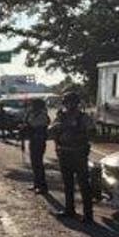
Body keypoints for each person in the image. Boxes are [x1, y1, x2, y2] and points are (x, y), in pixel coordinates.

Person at [49, 91, 96, 222]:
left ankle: (88, 215)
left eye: (72, 102)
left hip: (79, 153)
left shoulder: (83, 117)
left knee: (83, 184)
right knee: (67, 183)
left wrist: (78, 133)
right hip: (64, 152)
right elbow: (51, 132)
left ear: (76, 103)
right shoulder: (60, 117)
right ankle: (69, 210)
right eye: (67, 102)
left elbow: (92, 133)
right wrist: (57, 128)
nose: (70, 105)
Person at [24, 98, 51, 194]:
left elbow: (34, 125)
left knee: (38, 163)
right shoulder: (33, 114)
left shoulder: (42, 115)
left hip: (39, 141)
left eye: (33, 105)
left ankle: (43, 186)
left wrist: (27, 125)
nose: (31, 107)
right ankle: (36, 183)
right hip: (33, 140)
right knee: (34, 163)